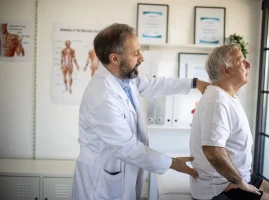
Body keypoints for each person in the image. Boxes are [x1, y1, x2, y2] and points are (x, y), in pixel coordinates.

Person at [71, 23, 209, 200]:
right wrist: (174, 164)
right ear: (115, 59)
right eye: (135, 53)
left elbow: (155, 84)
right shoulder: (102, 97)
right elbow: (128, 149)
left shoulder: (125, 80)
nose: (141, 57)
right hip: (100, 184)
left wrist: (194, 83)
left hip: (121, 172)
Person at [189, 44, 269, 200]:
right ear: (225, 70)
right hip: (220, 187)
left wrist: (242, 178)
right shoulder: (217, 101)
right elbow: (213, 151)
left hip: (238, 177)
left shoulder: (228, 96)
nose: (248, 64)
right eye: (241, 61)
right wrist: (239, 182)